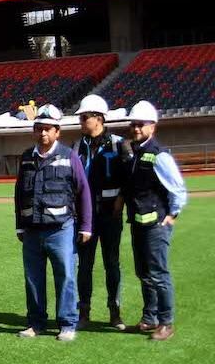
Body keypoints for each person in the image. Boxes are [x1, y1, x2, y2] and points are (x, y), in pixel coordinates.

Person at [16, 105, 94, 341]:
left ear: (57, 132)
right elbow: (20, 193)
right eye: (39, 129)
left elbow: (83, 192)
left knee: (66, 276)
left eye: (48, 129)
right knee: (33, 278)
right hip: (31, 230)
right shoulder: (27, 158)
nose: (43, 134)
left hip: (61, 228)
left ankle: (67, 323)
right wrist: (19, 224)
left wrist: (86, 225)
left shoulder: (70, 156)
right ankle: (36, 322)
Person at [123, 100, 187, 341]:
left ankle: (166, 322)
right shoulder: (137, 153)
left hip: (156, 225)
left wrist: (172, 215)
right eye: (133, 124)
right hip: (139, 224)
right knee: (144, 273)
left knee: (159, 274)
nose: (136, 128)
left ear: (153, 127)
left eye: (141, 124)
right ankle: (149, 319)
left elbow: (178, 189)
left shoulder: (158, 155)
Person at [74, 94, 132, 330]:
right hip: (85, 217)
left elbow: (130, 177)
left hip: (110, 214)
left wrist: (121, 199)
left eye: (84, 117)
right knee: (84, 265)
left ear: (98, 118)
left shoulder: (119, 144)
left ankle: (114, 312)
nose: (81, 121)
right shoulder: (77, 146)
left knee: (112, 263)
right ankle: (84, 312)